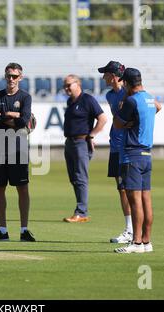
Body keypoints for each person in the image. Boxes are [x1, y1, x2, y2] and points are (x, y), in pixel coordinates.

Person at [0, 62, 35, 242]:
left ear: (20, 77)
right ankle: (2, 230)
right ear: (5, 76)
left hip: (18, 149)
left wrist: (3, 116)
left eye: (15, 76)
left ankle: (24, 230)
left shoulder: (25, 97)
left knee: (22, 189)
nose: (11, 79)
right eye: (9, 76)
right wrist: (13, 115)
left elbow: (24, 121)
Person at [113, 68, 161, 254]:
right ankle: (147, 241)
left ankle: (136, 242)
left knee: (135, 202)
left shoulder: (131, 101)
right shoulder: (149, 97)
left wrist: (124, 120)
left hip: (132, 154)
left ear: (126, 83)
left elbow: (117, 123)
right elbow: (158, 107)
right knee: (146, 200)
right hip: (147, 155)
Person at [62, 75, 107, 223]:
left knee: (81, 178)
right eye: (65, 85)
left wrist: (92, 135)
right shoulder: (70, 101)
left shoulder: (87, 99)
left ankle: (81, 212)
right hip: (70, 143)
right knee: (73, 178)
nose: (66, 88)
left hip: (81, 142)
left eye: (69, 85)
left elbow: (103, 118)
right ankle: (80, 210)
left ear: (78, 84)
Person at [98, 61, 133, 243]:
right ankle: (129, 229)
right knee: (121, 189)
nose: (103, 76)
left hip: (127, 147)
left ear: (113, 76)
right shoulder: (110, 95)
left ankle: (133, 230)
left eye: (105, 73)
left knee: (130, 189)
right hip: (115, 147)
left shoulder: (128, 93)